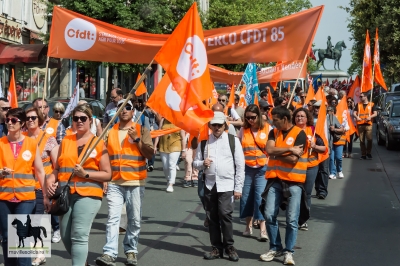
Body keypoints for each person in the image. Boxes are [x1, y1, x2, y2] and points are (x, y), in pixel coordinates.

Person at [45, 104, 112, 266]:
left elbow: (107, 174)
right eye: (76, 118)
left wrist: (86, 174)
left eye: (83, 118)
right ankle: (83, 263)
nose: (79, 121)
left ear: (90, 120)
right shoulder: (66, 141)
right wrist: (50, 179)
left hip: (89, 193)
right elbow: (58, 168)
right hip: (66, 194)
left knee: (79, 235)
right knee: (66, 236)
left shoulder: (98, 143)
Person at [95, 99, 153, 266]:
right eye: (121, 107)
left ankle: (131, 250)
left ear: (133, 111)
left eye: (128, 107)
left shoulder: (141, 130)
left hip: (135, 181)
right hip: (114, 182)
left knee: (134, 219)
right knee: (113, 218)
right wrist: (103, 177)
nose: (124, 110)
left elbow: (150, 154)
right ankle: (109, 253)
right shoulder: (109, 131)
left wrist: (137, 140)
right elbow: (102, 156)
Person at [193, 111, 244, 262]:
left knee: (225, 215)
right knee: (212, 217)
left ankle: (229, 246)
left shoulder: (232, 141)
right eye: (214, 125)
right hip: (210, 184)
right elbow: (195, 163)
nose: (217, 128)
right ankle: (216, 248)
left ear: (225, 125)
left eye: (219, 125)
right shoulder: (204, 143)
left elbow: (240, 165)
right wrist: (203, 163)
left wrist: (238, 187)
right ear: (210, 126)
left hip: (227, 184)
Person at [260, 106, 308, 265]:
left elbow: (294, 160)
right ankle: (275, 247)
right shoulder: (273, 132)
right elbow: (268, 149)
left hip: (294, 182)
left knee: (291, 220)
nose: (273, 123)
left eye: (275, 120)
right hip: (275, 180)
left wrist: (275, 153)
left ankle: (289, 252)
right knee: (268, 215)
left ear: (285, 119)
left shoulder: (300, 134)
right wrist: (288, 149)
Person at [0, 108, 46, 266]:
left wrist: (46, 196)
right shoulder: (0, 143)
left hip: (26, 198)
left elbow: (40, 171)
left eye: (13, 121)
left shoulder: (31, 143)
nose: (10, 123)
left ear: (22, 123)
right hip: (4, 198)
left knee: (21, 236)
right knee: (7, 237)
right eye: (7, 120)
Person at [25, 107, 60, 266]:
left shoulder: (49, 139)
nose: (30, 120)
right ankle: (25, 255)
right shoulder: (21, 138)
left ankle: (39, 254)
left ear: (39, 119)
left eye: (33, 117)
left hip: (42, 187)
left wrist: (53, 182)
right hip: (23, 187)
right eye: (27, 118)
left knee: (38, 220)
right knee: (23, 221)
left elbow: (57, 165)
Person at [237, 104, 271, 241]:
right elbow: (238, 149)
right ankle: (248, 226)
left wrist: (270, 162)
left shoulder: (268, 129)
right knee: (245, 197)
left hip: (262, 168)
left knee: (260, 198)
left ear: (258, 116)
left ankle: (263, 230)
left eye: (253, 117)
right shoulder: (243, 130)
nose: (250, 120)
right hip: (247, 168)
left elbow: (273, 147)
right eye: (248, 118)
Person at [292, 108, 327, 231]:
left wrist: (315, 146)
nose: (299, 118)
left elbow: (324, 149)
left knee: (306, 193)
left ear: (307, 118)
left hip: (310, 166)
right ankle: (294, 218)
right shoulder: (290, 131)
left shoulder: (313, 131)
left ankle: (303, 220)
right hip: (294, 167)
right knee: (294, 193)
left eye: (302, 116)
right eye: (297, 116)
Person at [154, 118, 186, 193]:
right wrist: (155, 146)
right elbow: (158, 133)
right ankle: (169, 179)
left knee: (172, 165)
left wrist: (183, 150)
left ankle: (171, 184)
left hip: (175, 146)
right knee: (165, 167)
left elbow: (183, 138)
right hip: (163, 146)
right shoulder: (163, 120)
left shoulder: (180, 121)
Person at [312, 100, 330, 200]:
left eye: (319, 107)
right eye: (315, 107)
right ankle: (317, 189)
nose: (316, 109)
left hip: (325, 149)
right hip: (314, 149)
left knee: (323, 170)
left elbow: (341, 127)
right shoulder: (310, 119)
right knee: (315, 170)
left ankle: (322, 191)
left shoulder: (329, 118)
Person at [353, 92, 377, 159]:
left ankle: (368, 153)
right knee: (361, 140)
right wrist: (357, 117)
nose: (360, 97)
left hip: (368, 124)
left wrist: (370, 117)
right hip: (360, 124)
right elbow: (354, 113)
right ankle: (363, 154)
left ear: (366, 96)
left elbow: (375, 113)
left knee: (369, 139)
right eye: (360, 96)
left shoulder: (371, 104)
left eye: (361, 96)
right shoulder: (358, 104)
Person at [327, 106, 346, 179]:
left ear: (333, 111)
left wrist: (334, 129)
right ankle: (332, 173)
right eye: (327, 110)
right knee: (331, 158)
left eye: (329, 110)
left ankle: (339, 170)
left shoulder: (337, 118)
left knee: (338, 158)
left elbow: (343, 129)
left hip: (338, 141)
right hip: (329, 142)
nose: (328, 112)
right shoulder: (324, 119)